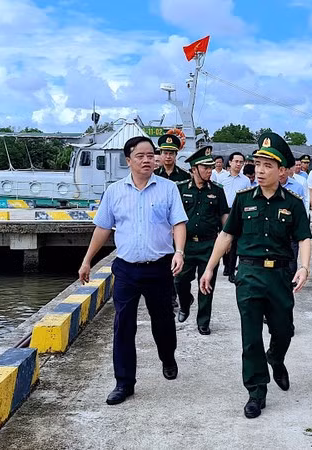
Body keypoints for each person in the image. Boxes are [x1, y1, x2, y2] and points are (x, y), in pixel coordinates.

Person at [199, 132, 312, 419]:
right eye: (257, 164)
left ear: (282, 170)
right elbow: (226, 236)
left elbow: (304, 238)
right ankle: (256, 390)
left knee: (283, 329)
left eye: (267, 165)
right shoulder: (243, 200)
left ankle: (276, 357)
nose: (259, 170)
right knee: (251, 338)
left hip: (280, 276)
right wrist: (210, 268)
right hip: (248, 273)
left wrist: (304, 266)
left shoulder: (294, 203)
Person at [78, 136, 187, 406]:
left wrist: (180, 252)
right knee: (123, 326)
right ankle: (124, 383)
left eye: (152, 155)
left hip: (159, 267)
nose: (148, 159)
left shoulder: (168, 189)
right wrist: (87, 260)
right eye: (141, 155)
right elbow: (103, 228)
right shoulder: (114, 192)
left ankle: (167, 356)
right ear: (128, 161)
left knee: (163, 321)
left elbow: (179, 223)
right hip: (126, 269)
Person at [175, 145, 229, 335]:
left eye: (211, 167)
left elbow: (224, 216)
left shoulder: (217, 190)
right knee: (179, 280)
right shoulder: (180, 190)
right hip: (186, 245)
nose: (209, 171)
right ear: (194, 169)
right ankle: (185, 301)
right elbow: (173, 218)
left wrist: (228, 239)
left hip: (209, 245)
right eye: (205, 168)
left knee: (206, 284)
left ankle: (203, 322)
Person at [219, 152, 251, 283]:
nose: (238, 164)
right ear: (230, 162)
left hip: (238, 211)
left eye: (241, 162)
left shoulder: (245, 180)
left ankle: (231, 270)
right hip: (223, 210)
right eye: (236, 161)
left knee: (235, 242)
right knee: (223, 239)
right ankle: (226, 265)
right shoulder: (221, 178)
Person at [280, 162, 307, 274]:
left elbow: (301, 208)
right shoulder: (267, 186)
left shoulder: (297, 187)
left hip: (291, 228)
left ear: (288, 170)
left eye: (284, 170)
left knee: (292, 258)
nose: (281, 173)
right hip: (274, 230)